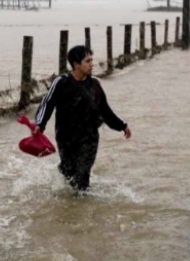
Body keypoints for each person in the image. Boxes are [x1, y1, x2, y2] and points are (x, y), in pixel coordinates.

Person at [33, 45, 131, 191]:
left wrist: (122, 125)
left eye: (92, 60)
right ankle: (70, 196)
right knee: (68, 172)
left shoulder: (95, 85)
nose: (92, 64)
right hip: (65, 137)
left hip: (89, 137)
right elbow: (47, 103)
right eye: (88, 61)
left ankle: (81, 207)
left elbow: (105, 110)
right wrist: (39, 124)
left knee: (82, 177)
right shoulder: (61, 82)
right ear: (76, 65)